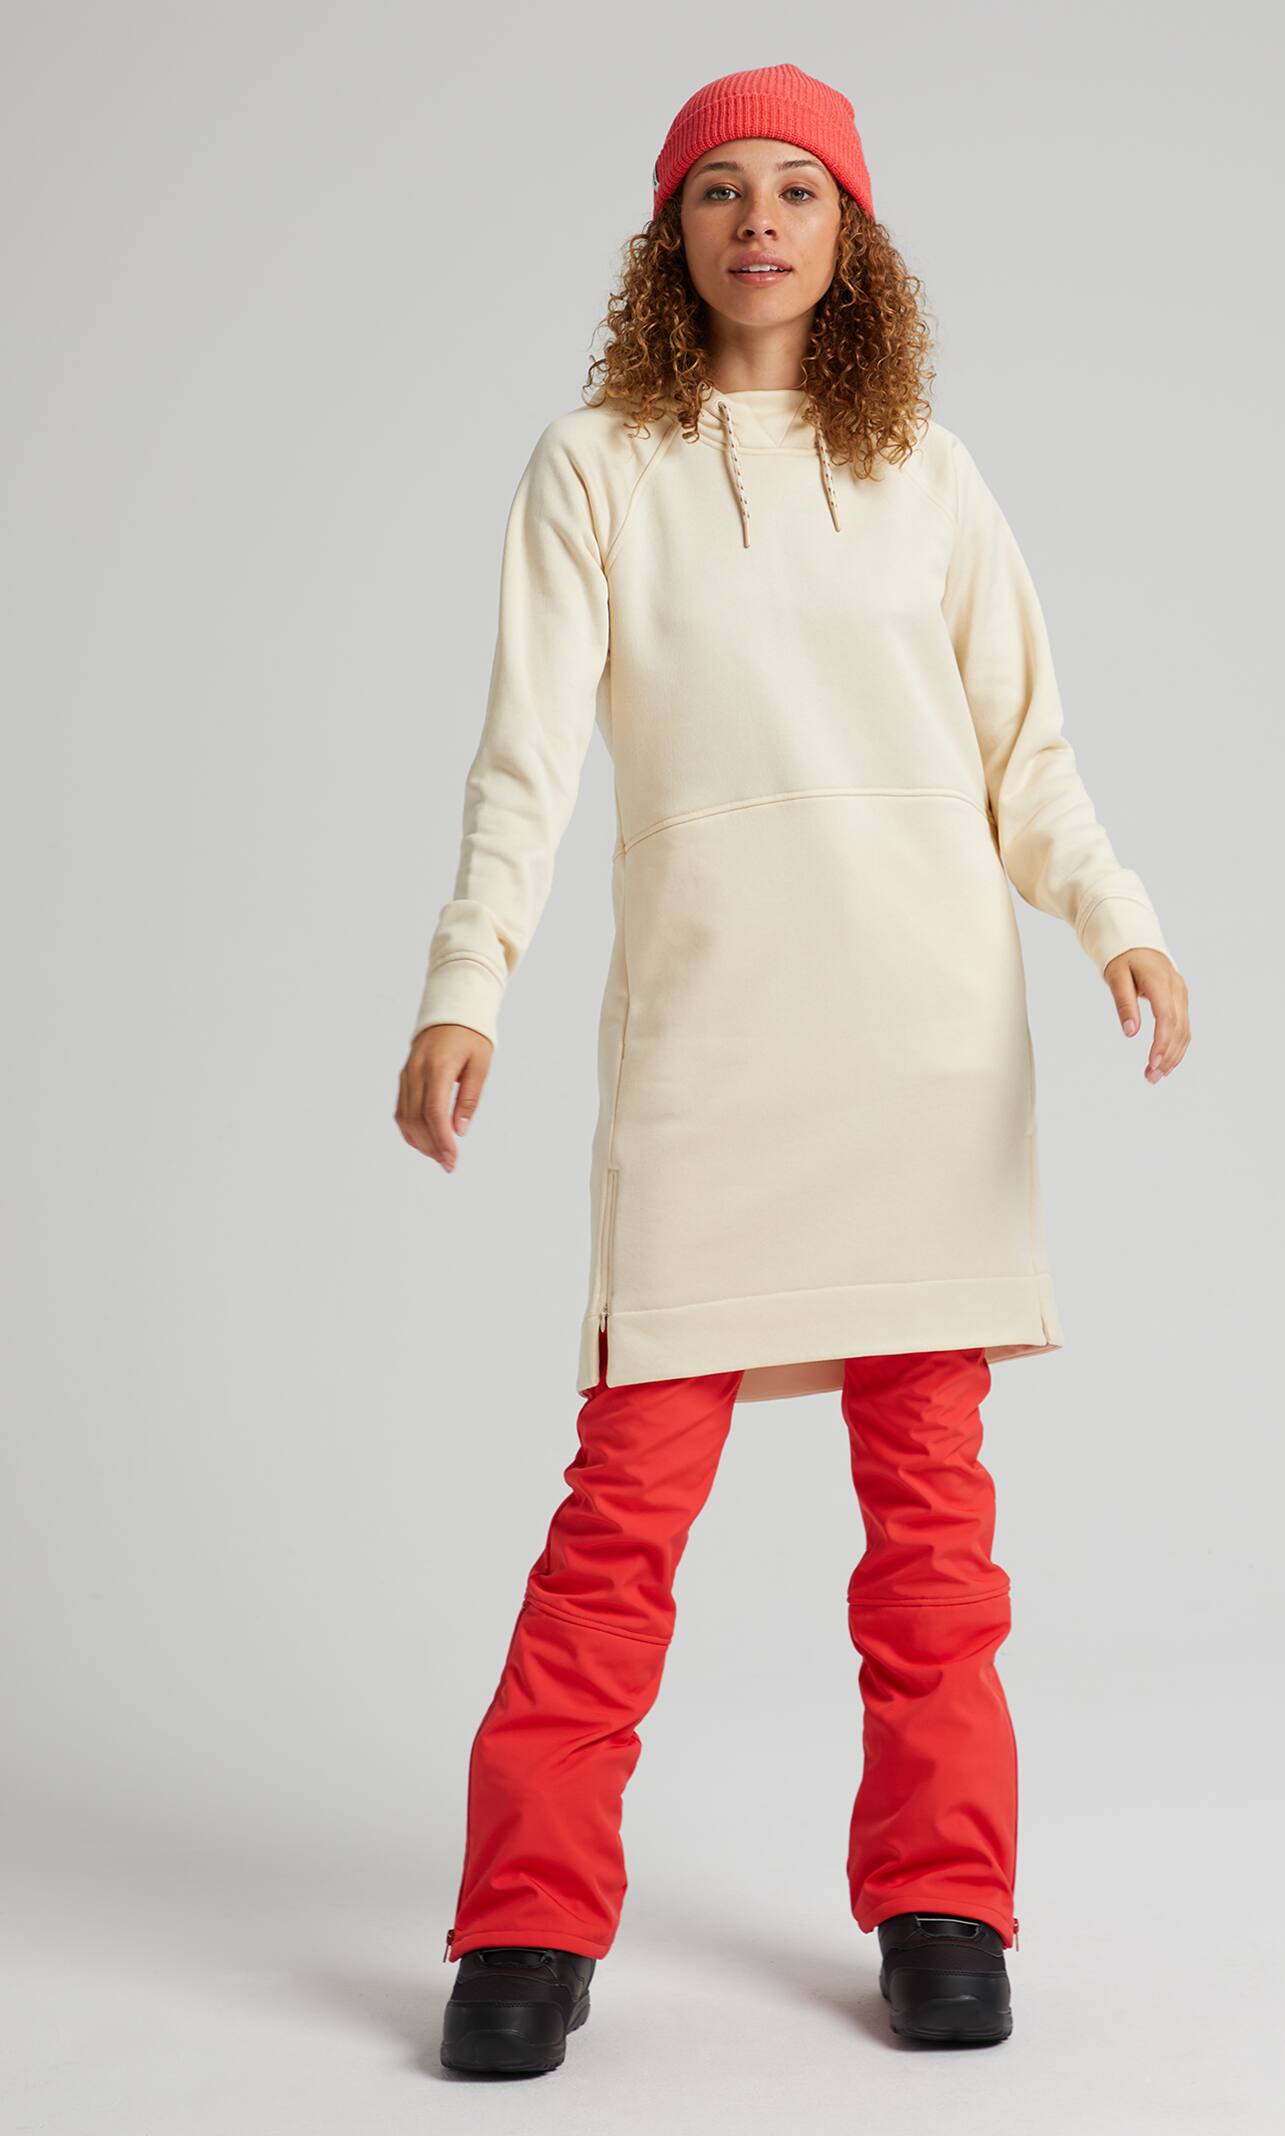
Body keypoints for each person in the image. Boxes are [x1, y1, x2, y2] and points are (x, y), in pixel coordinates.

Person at [396, 61, 1190, 2076]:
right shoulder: (593, 468)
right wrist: (465, 981)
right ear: (669, 233)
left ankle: (945, 1903)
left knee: (932, 1531)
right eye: (719, 190)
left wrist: (1114, 916)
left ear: (853, 232)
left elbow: (1026, 755)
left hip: (921, 1043)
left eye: (798, 189)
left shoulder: (926, 469)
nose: (758, 221)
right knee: (621, 1516)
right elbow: (526, 759)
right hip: (713, 1047)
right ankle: (526, 1922)